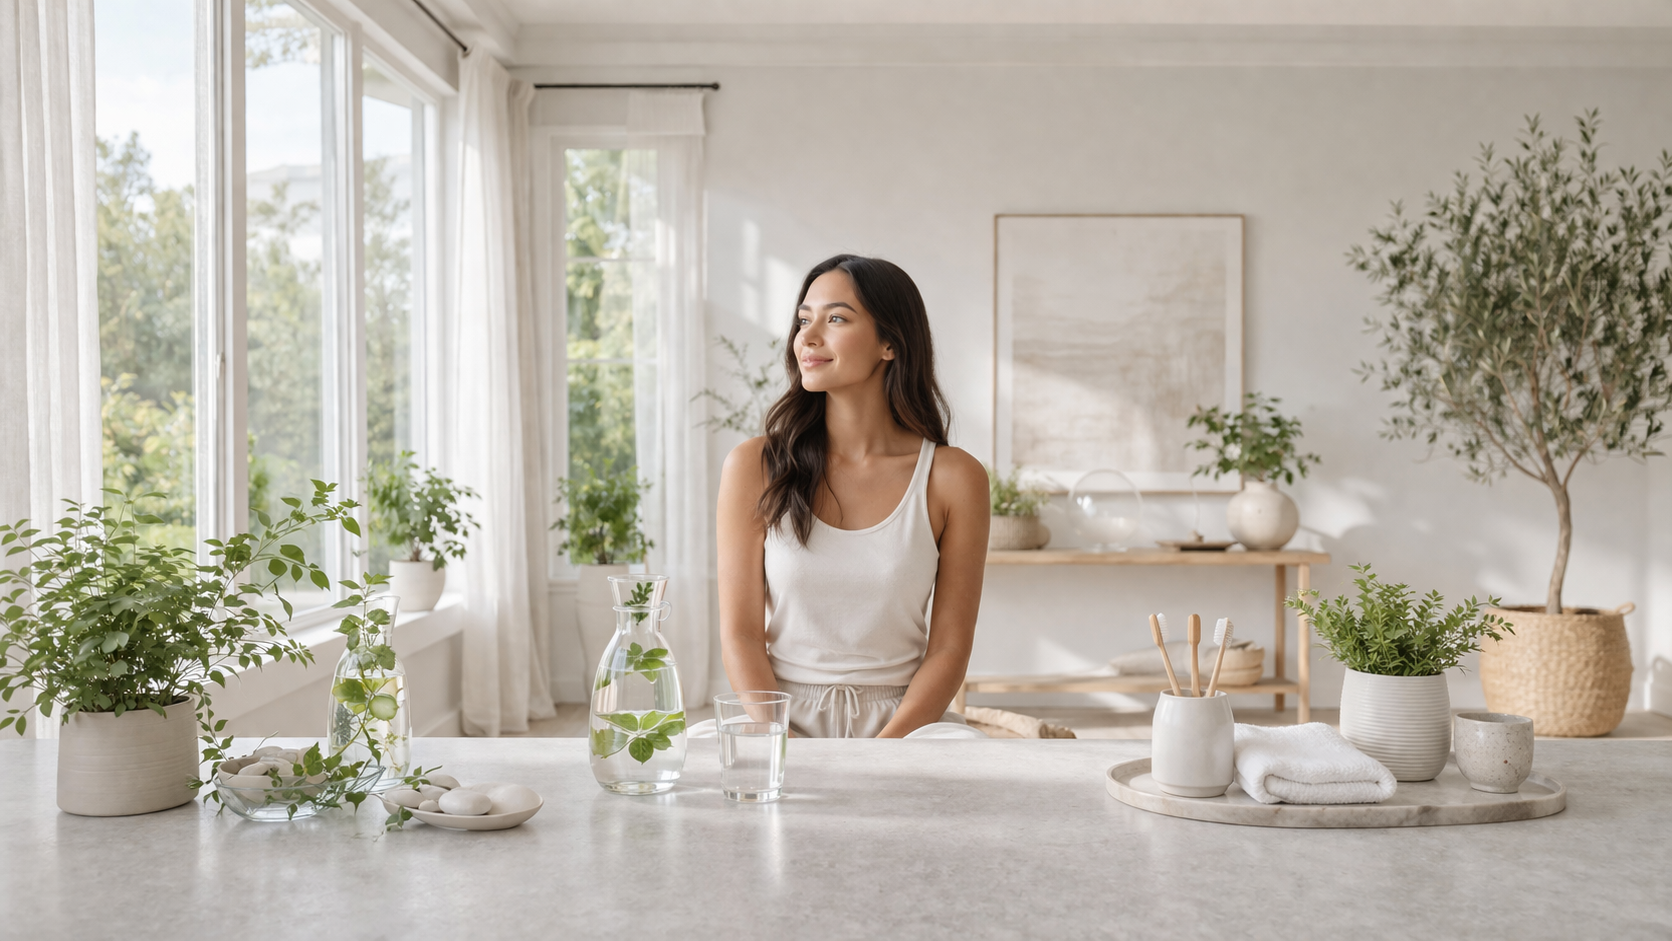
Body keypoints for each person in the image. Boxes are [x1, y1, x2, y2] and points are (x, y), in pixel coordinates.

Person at [716, 254, 990, 738]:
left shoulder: (953, 477)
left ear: (890, 342)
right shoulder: (754, 466)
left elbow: (949, 648)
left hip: (904, 724)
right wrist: (783, 740)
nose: (808, 337)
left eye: (836, 318)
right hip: (779, 718)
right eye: (804, 320)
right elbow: (740, 634)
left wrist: (884, 753)